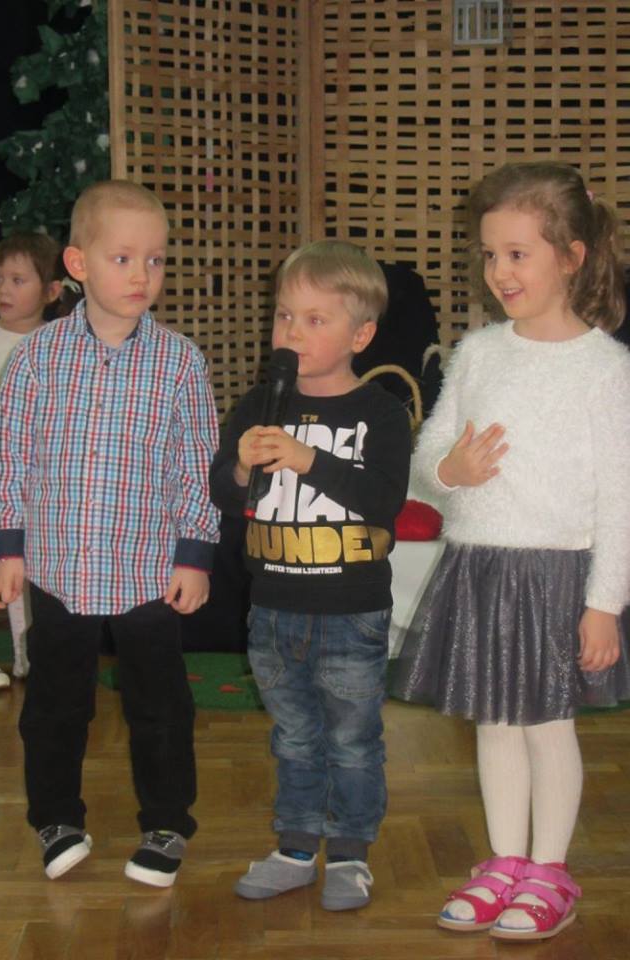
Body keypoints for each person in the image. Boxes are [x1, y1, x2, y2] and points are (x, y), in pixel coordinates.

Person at [391, 162, 630, 941]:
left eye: (518, 254)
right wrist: (447, 473)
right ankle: (503, 862)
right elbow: (426, 459)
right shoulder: (478, 352)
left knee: (545, 725)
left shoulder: (605, 369)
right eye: (490, 254)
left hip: (558, 573)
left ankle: (548, 871)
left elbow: (620, 499)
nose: (499, 271)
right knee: (493, 721)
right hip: (480, 566)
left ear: (572, 256)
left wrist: (603, 603)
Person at [0, 180, 220, 886]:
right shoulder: (36, 359)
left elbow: (195, 465)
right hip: (58, 570)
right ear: (78, 264)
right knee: (54, 706)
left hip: (148, 572)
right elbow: (10, 459)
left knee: (161, 707)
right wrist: (6, 548)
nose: (141, 275)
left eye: (155, 260)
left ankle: (166, 821)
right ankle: (56, 818)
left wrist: (195, 554)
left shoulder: (180, 361)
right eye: (122, 258)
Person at [210, 241, 412, 911]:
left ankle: (350, 853)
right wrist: (242, 467)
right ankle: (296, 848)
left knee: (352, 740)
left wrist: (307, 459)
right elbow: (222, 495)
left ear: (360, 335)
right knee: (293, 737)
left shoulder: (379, 412)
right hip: (273, 608)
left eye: (314, 320)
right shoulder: (258, 404)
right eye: (284, 316)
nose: (292, 333)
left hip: (351, 611)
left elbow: (383, 500)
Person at [0, 232, 63, 689]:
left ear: (52, 290)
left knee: (27, 570)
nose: (3, 289)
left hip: (33, 483)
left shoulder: (55, 347)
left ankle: (27, 656)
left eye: (18, 280)